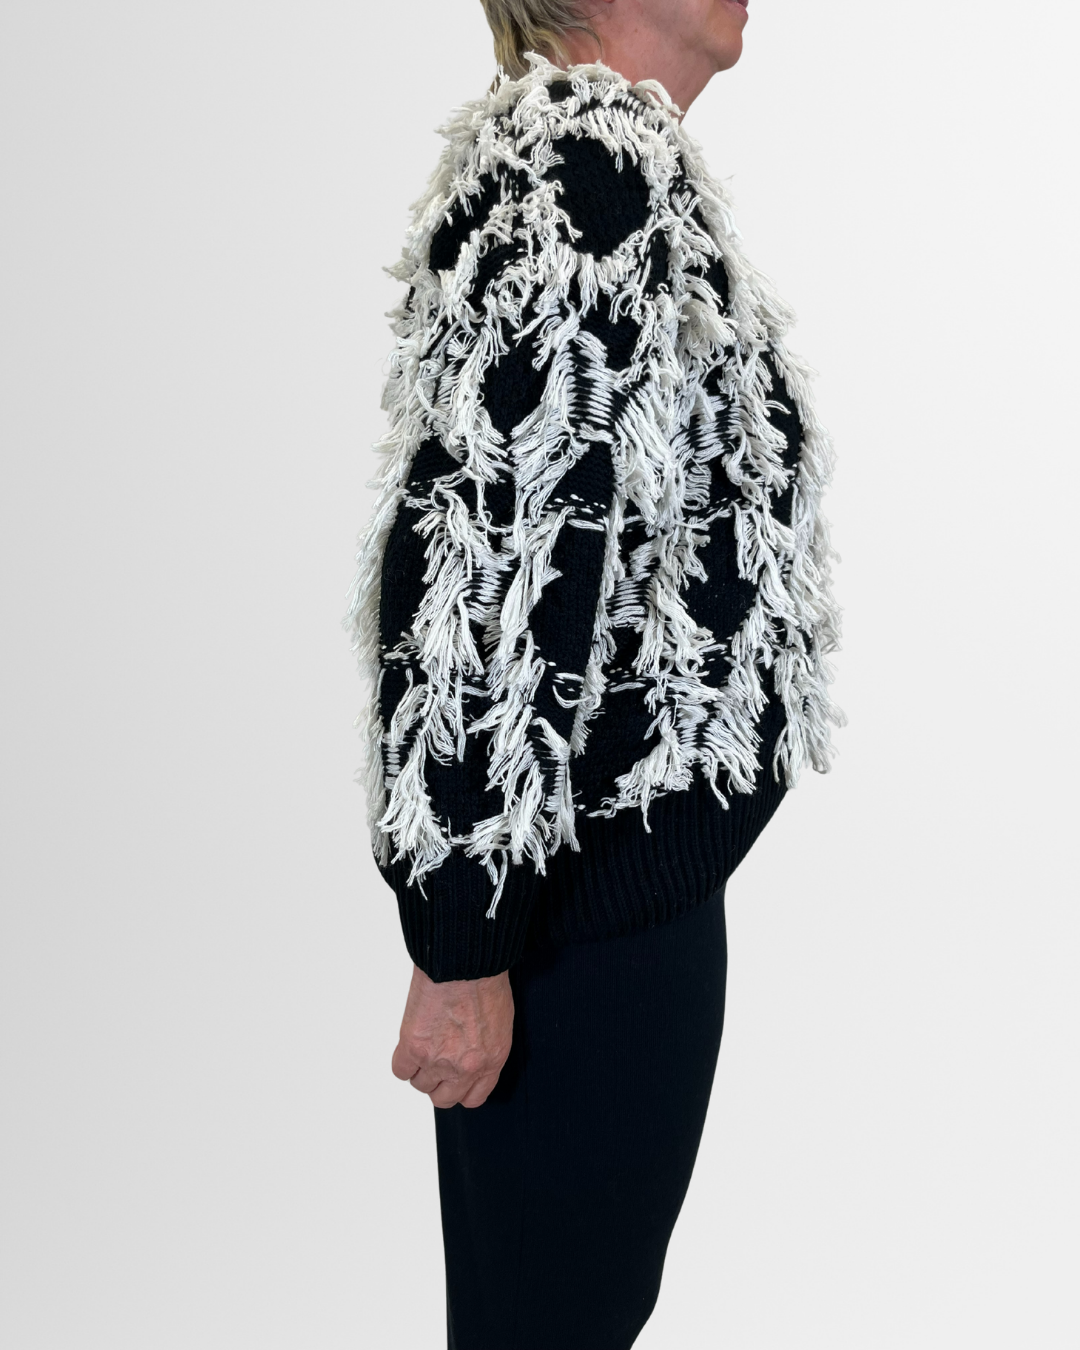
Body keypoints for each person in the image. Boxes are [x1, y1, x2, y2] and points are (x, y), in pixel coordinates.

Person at [346, 1, 843, 1344]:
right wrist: (464, 943)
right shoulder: (576, 170)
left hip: (615, 891)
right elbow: (486, 552)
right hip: (569, 919)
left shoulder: (615, 171)